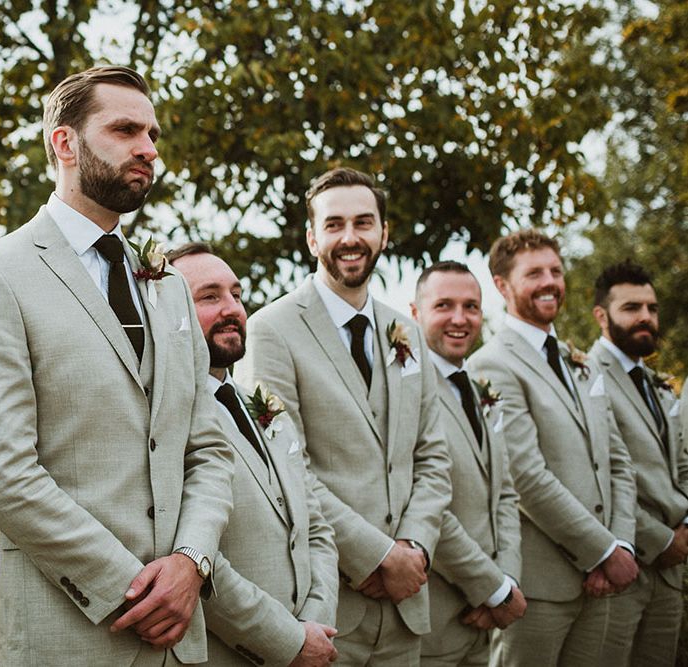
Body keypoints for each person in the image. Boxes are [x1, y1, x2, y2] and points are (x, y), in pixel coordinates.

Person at [0, 67, 234, 666]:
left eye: (153, 134)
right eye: (125, 129)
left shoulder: (169, 288)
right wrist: (132, 589)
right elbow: (1, 472)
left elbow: (208, 449)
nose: (149, 148)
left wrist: (191, 563)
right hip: (72, 635)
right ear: (65, 143)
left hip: (182, 638)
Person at [235, 167, 451, 665]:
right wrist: (377, 556)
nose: (349, 238)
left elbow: (432, 455)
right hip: (328, 604)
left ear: (384, 232)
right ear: (312, 237)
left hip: (407, 605)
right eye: (333, 225)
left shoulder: (406, 331)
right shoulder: (271, 331)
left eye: (363, 222)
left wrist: (414, 548)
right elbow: (285, 467)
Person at [468, 229, 638, 666]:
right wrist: (601, 550)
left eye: (556, 271)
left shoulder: (578, 361)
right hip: (540, 588)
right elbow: (525, 477)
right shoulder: (492, 365)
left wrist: (621, 545)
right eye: (534, 273)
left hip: (603, 581)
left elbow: (617, 460)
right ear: (502, 285)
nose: (550, 281)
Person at [168, 242, 340, 666]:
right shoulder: (166, 416)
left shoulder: (265, 407)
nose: (232, 309)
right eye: (210, 296)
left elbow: (316, 528)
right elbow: (191, 555)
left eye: (237, 294)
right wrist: (286, 641)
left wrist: (315, 624)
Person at [411, 261, 526, 666]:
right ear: (415, 313)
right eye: (444, 305)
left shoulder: (477, 389)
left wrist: (507, 579)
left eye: (471, 307)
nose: (460, 319)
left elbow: (505, 493)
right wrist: (490, 587)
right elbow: (426, 508)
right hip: (435, 617)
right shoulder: (407, 392)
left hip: (484, 620)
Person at [589, 260, 688, 666]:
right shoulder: (587, 375)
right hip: (623, 566)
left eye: (651, 307)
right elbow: (599, 474)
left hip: (671, 570)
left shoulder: (655, 381)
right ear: (602, 315)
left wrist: (684, 529)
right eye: (631, 308)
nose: (645, 317)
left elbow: (680, 462)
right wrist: (659, 541)